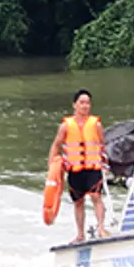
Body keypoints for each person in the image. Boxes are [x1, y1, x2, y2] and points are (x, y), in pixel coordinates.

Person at [49, 89, 106, 242]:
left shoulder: (96, 124)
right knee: (78, 202)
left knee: (96, 196)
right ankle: (80, 234)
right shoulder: (66, 126)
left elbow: (102, 145)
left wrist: (105, 163)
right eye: (82, 102)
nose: (85, 106)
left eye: (87, 103)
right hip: (75, 170)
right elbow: (56, 145)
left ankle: (101, 227)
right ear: (75, 105)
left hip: (93, 168)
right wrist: (51, 167)